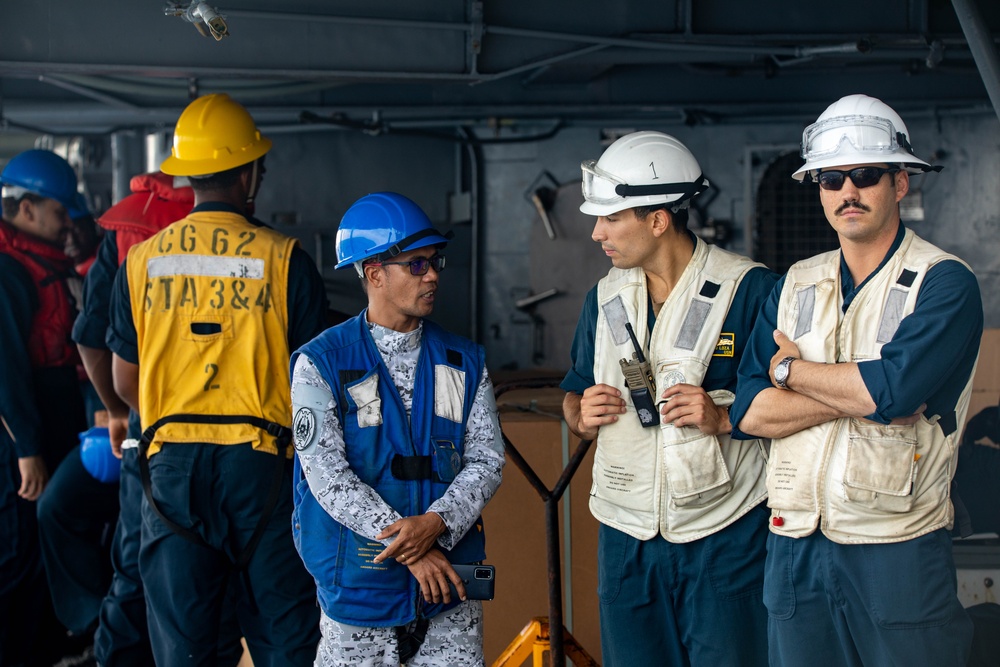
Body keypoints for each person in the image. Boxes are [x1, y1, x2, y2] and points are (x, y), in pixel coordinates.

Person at [730, 94, 983, 666]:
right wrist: (859, 393)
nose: (848, 191)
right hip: (793, 540)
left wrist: (790, 373)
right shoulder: (795, 282)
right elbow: (747, 410)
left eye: (865, 175)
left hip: (898, 546)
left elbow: (891, 393)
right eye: (831, 178)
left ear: (900, 183)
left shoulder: (944, 283)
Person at [107, 92, 327, 666]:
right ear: (250, 173)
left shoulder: (141, 261)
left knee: (185, 645)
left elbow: (125, 380)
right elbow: (311, 380)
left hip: (171, 471)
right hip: (263, 470)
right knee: (286, 637)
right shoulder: (285, 260)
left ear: (187, 177)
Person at [560, 131, 777, 666]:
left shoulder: (749, 290)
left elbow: (795, 404)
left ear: (658, 219)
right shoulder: (605, 296)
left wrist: (725, 416)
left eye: (611, 218)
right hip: (625, 532)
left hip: (723, 532)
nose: (596, 233)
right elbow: (571, 395)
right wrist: (580, 416)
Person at [290, 192, 505, 666]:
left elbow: (487, 460)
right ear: (374, 274)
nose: (432, 275)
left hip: (449, 591)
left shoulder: (464, 361)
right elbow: (327, 476)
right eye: (417, 264)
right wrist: (410, 549)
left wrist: (436, 525)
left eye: (435, 261)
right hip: (362, 589)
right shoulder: (320, 363)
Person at [0, 148, 90, 665]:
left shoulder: (39, 264)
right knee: (15, 552)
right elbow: (6, 368)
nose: (66, 225)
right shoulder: (8, 272)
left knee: (40, 547)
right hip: (19, 441)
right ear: (28, 207)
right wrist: (27, 450)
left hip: (49, 423)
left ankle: (43, 647)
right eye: (59, 212)